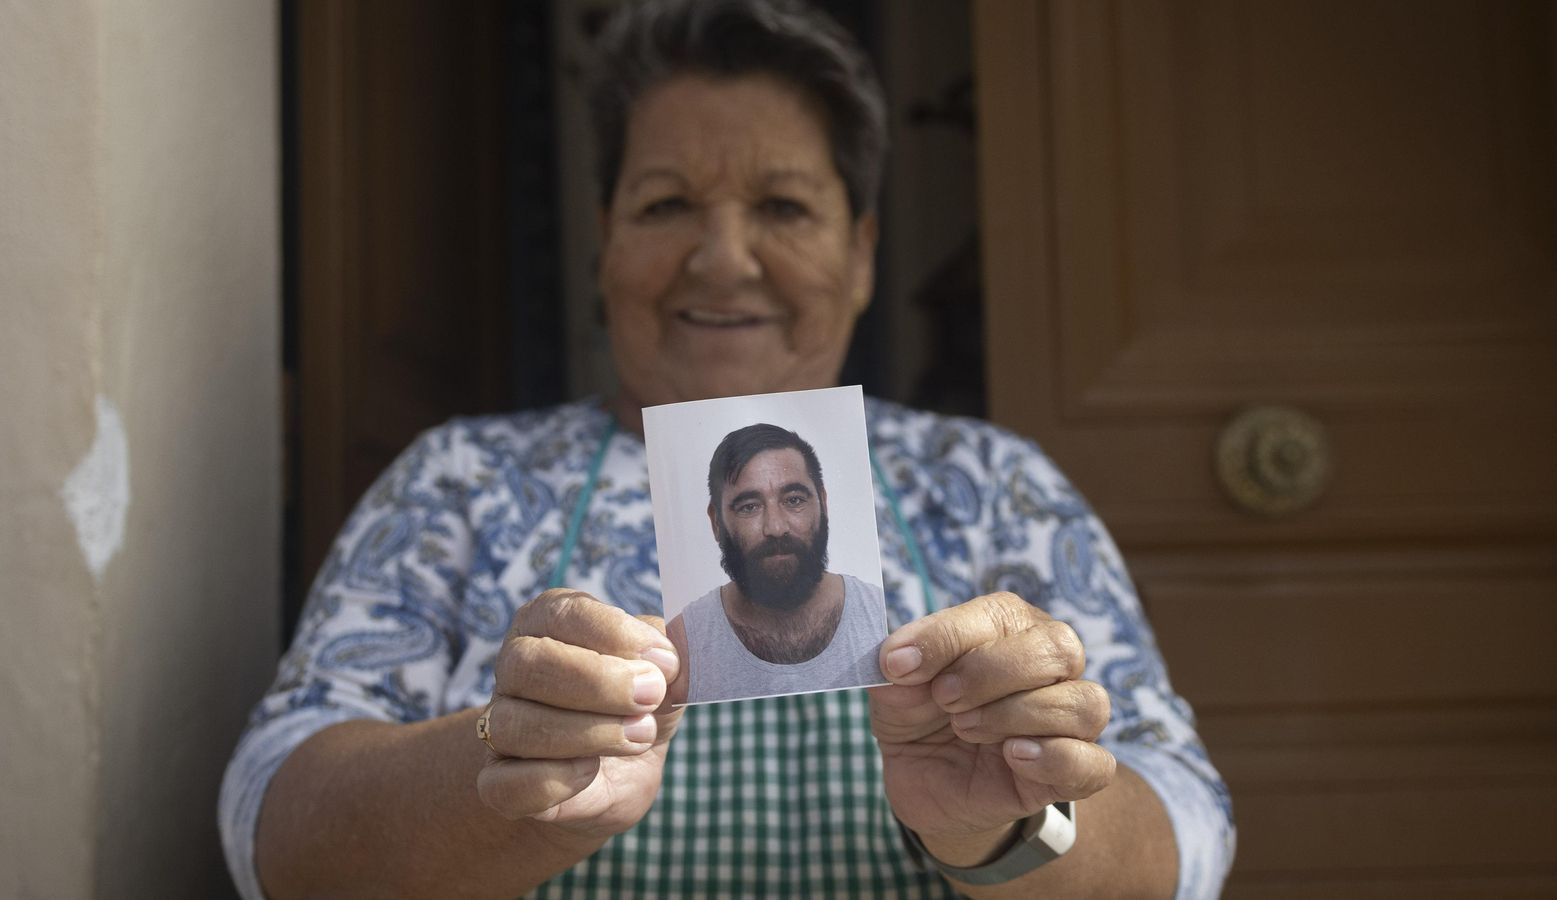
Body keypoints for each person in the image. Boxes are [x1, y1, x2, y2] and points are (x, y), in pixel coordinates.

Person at [219, 0, 1236, 897]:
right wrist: (501, 780)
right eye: (665, 206)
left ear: (863, 254)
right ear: (603, 245)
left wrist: (1006, 824)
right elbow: (273, 825)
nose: (722, 258)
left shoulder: (994, 489)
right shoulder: (460, 484)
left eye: (783, 208)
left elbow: (1184, 835)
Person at [667, 423, 887, 704]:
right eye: (749, 507)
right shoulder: (684, 643)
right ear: (716, 523)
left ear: (823, 503)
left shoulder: (880, 618)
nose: (775, 527)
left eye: (794, 500)